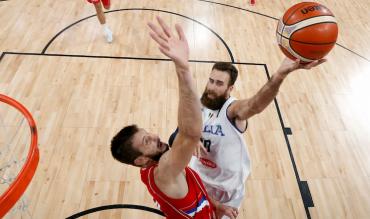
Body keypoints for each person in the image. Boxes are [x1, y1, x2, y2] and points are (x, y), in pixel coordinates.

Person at [110, 16, 237, 219]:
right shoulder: (165, 171)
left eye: (147, 133)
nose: (155, 135)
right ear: (141, 159)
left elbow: (195, 185)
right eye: (147, 140)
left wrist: (215, 205)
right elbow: (189, 134)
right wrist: (183, 68)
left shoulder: (149, 169)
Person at [170, 57, 326, 217]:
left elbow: (255, 105)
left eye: (219, 84)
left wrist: (279, 76)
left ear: (230, 88)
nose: (211, 87)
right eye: (211, 80)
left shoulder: (232, 110)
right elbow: (176, 134)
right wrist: (189, 136)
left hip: (226, 190)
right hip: (199, 180)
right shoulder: (200, 104)